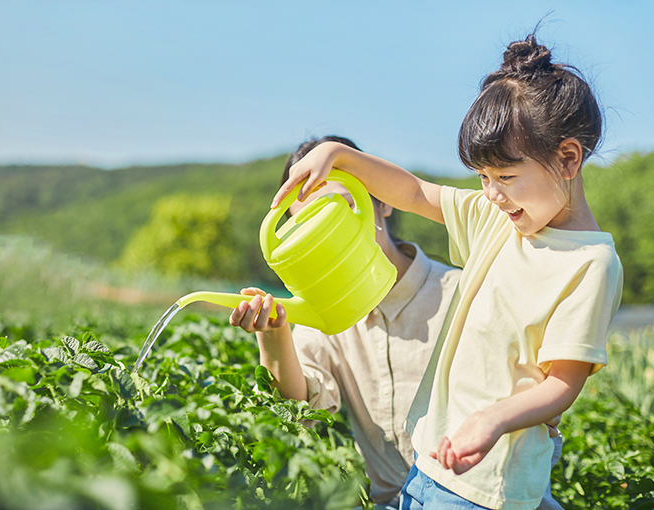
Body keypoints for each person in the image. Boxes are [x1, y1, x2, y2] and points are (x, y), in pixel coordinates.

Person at [272, 34, 623, 510]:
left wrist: (493, 419)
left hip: (484, 482)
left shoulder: (590, 263)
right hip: (432, 467)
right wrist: (339, 154)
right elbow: (415, 193)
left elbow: (563, 382)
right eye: (482, 178)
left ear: (567, 158)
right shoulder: (499, 220)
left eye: (505, 177)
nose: (492, 194)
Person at [231, 136, 563, 509]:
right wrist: (274, 335)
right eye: (306, 222)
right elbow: (299, 408)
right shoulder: (326, 313)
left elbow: (543, 393)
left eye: (336, 207)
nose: (326, 233)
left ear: (383, 200)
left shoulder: (463, 292)